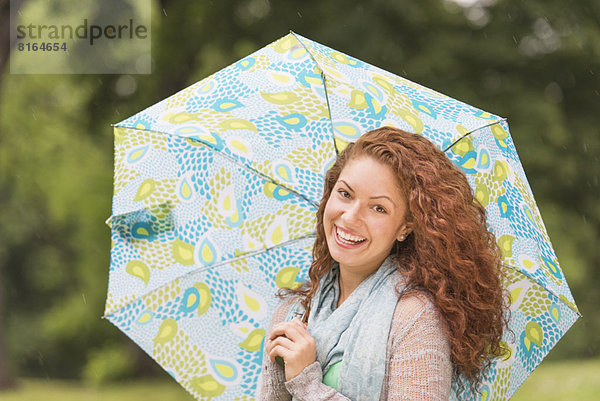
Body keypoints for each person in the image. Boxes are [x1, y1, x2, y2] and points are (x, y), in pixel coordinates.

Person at [260, 127, 508, 401]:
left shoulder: (414, 319)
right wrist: (280, 372)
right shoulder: (293, 313)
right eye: (345, 194)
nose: (350, 217)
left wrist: (306, 382)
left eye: (378, 208)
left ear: (405, 226)